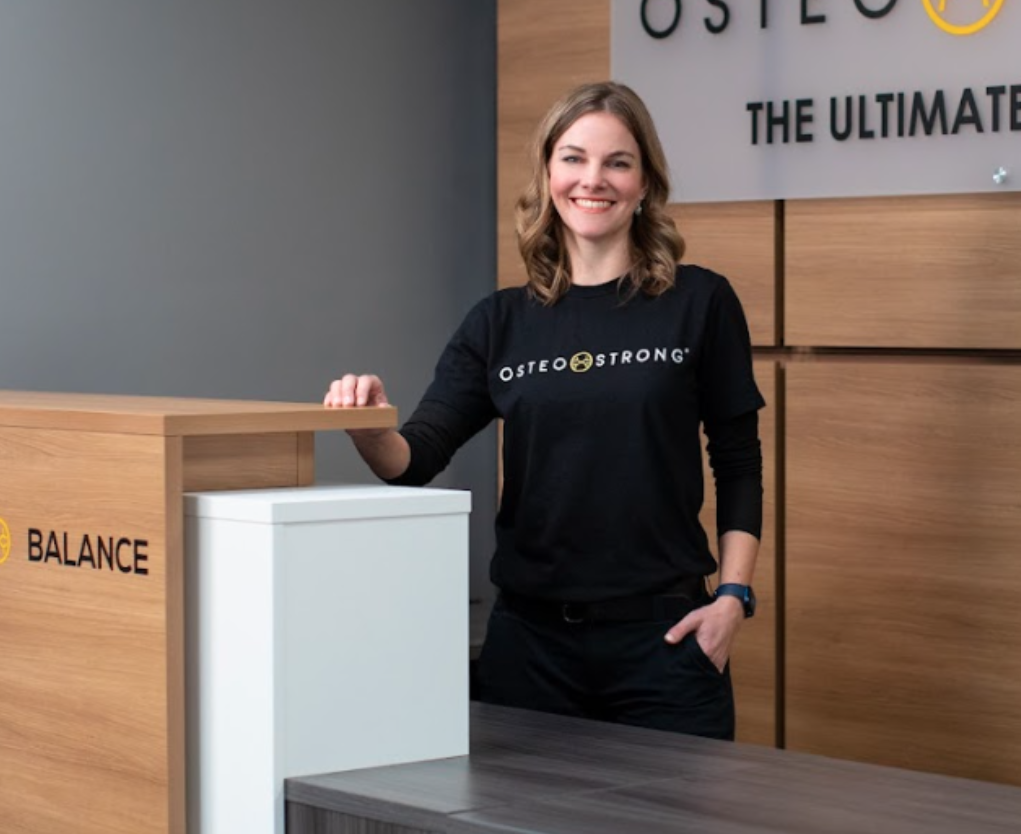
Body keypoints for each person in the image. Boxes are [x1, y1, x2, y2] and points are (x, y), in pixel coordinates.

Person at [324, 80, 764, 741]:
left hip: (666, 646)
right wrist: (366, 427)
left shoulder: (699, 302)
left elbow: (738, 464)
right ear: (548, 173)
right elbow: (414, 459)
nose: (595, 179)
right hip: (529, 653)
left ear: (645, 183)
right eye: (574, 158)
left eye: (618, 162)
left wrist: (732, 598)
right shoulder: (500, 322)